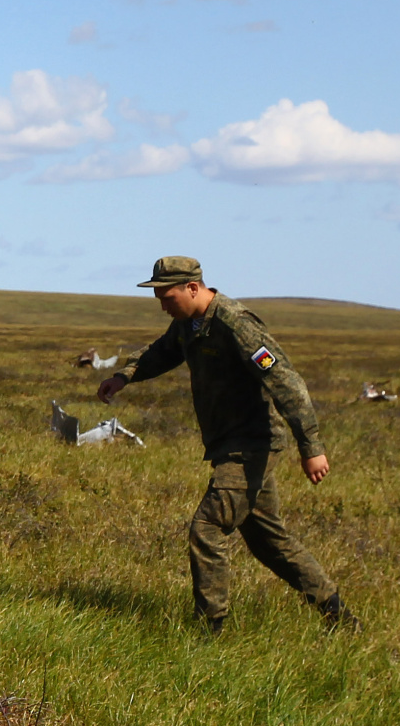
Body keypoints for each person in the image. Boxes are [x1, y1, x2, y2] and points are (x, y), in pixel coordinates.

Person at [99, 257, 351, 632]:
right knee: (268, 541)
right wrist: (124, 376)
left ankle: (209, 629)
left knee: (207, 527)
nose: (162, 304)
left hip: (251, 445)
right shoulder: (188, 324)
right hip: (228, 444)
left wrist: (311, 447)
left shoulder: (235, 324)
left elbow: (287, 383)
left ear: (193, 288)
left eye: (167, 296)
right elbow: (161, 353)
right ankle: (339, 616)